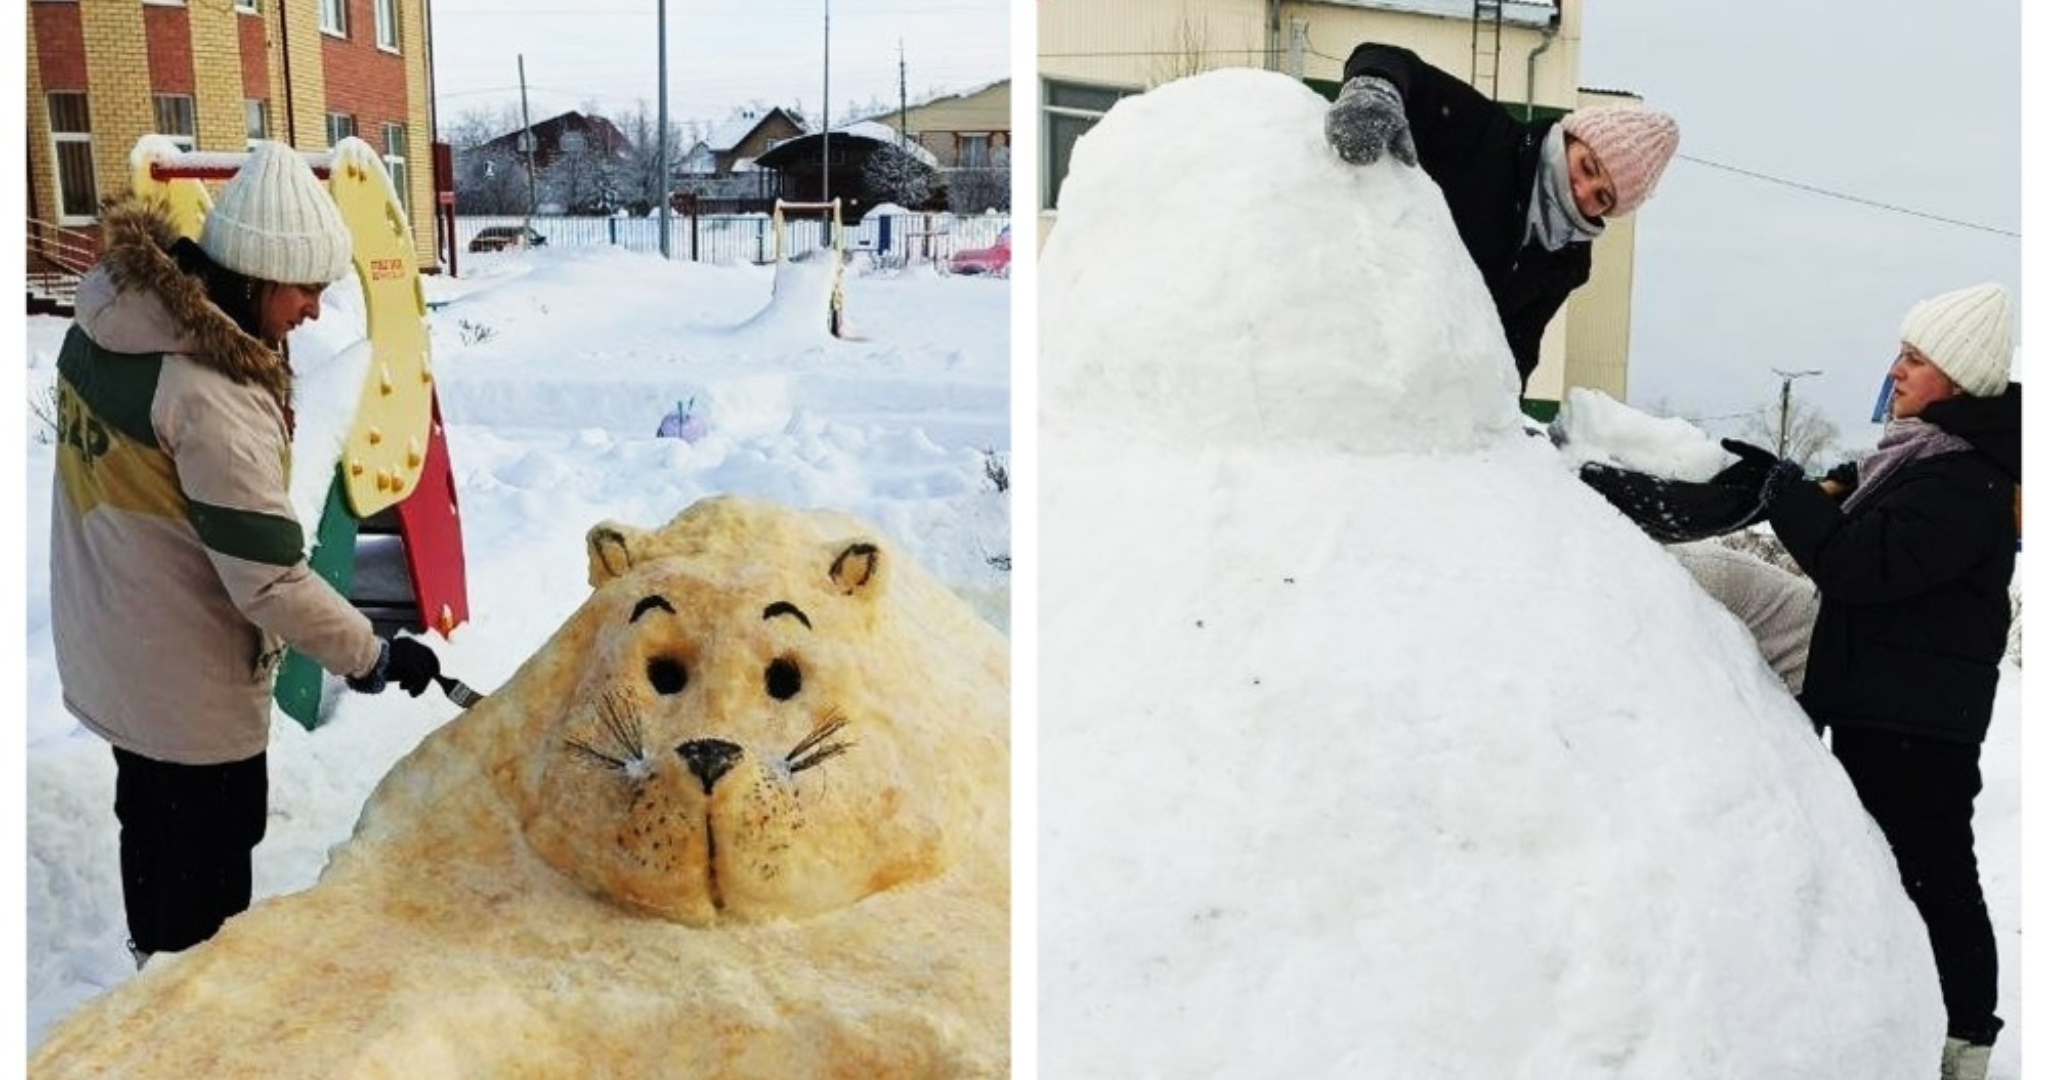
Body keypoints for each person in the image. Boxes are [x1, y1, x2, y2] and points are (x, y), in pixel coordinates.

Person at [49, 140, 444, 967]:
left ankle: (148, 976)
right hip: (187, 682)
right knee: (208, 882)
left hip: (114, 645)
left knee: (147, 823)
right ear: (258, 276)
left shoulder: (107, 323)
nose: (314, 310)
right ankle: (188, 1025)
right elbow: (268, 580)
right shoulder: (210, 395)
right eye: (307, 290)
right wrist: (371, 654)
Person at [1742, 283, 2019, 1080]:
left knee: (1935, 879)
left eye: (1916, 359)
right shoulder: (1920, 458)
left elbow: (1857, 566)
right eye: (1900, 351)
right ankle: (1896, 1016)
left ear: (1959, 380)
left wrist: (1785, 499)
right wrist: (1796, 488)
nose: (1895, 369)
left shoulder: (1966, 479)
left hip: (1919, 725)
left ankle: (1967, 1040)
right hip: (1887, 709)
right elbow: (1855, 527)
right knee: (1894, 874)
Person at [1323, 42, 1680, 390]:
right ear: (1572, 138)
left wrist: (1505, 422)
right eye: (1588, 167)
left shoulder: (1567, 259)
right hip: (1348, 324)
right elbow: (1386, 57)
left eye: (1603, 197)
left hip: (1422, 385)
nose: (1583, 190)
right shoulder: (1485, 133)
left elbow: (1517, 348)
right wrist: (1375, 90)